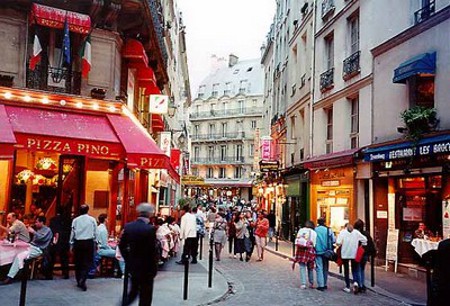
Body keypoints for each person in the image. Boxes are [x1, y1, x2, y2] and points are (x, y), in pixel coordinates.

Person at [119, 203, 158, 306]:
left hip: (134, 265)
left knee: (133, 292)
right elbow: (152, 251)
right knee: (145, 295)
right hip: (147, 267)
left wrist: (128, 259)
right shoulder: (150, 229)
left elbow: (121, 245)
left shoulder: (129, 226)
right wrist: (154, 267)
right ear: (150, 214)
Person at [1, 216, 53, 285]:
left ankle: (10, 277)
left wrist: (33, 232)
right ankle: (6, 273)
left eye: (37, 222)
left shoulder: (47, 230)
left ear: (42, 222)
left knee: (20, 256)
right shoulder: (38, 229)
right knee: (14, 251)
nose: (35, 224)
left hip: (38, 249)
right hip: (31, 246)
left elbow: (42, 238)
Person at [70, 204, 98, 291]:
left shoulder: (75, 220)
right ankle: (84, 279)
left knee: (78, 262)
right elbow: (95, 232)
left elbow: (72, 233)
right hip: (89, 242)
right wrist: (96, 242)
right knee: (87, 262)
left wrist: (71, 244)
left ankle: (79, 280)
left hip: (78, 242)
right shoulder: (92, 220)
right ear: (87, 210)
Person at [336, 223, 367, 294]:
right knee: (355, 269)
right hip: (354, 254)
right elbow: (365, 239)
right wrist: (362, 245)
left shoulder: (342, 232)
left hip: (345, 254)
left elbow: (338, 242)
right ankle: (355, 282)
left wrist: (340, 244)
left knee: (346, 270)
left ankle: (347, 286)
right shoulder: (356, 232)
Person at [45, 208, 71, 280]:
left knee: (52, 257)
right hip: (64, 240)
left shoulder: (53, 220)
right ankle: (66, 273)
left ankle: (49, 274)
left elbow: (51, 230)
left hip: (55, 240)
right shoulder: (68, 220)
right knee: (64, 258)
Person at [353, 219, 376, 293]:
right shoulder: (366, 233)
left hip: (357, 254)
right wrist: (372, 253)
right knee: (362, 269)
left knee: (357, 269)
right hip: (365, 254)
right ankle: (362, 284)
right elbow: (371, 244)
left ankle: (359, 285)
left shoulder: (354, 234)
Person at [293, 220, 317, 289]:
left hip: (301, 250)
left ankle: (303, 284)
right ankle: (311, 283)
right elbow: (314, 244)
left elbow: (297, 240)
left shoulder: (301, 230)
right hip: (310, 250)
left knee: (302, 267)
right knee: (310, 267)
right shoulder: (314, 233)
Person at [314, 217, 335, 291]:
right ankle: (325, 284)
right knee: (325, 268)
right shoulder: (329, 230)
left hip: (317, 251)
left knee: (319, 268)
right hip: (327, 251)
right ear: (324, 222)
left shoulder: (315, 230)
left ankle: (321, 285)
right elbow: (333, 240)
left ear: (318, 222)